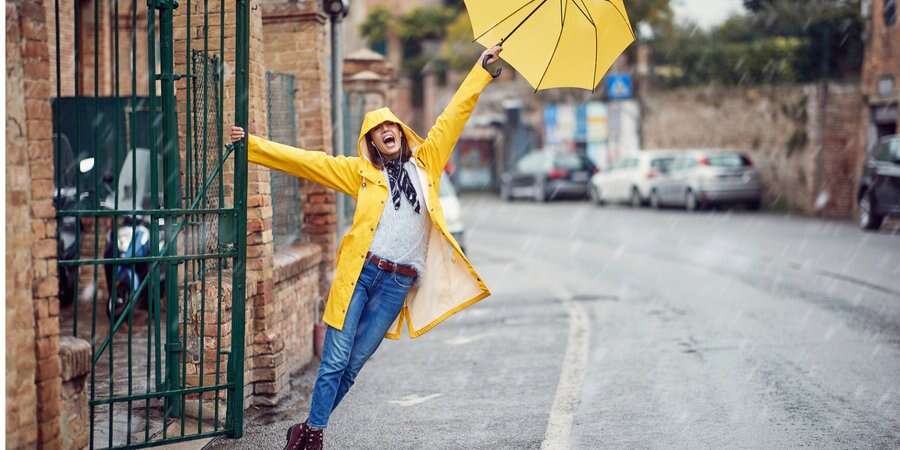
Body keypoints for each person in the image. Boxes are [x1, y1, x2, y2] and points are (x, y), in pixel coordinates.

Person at [229, 45, 502, 450]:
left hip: (397, 285)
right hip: (361, 275)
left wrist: (480, 69)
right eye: (376, 131)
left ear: (400, 131)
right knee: (335, 360)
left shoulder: (426, 162)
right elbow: (306, 161)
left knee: (354, 367)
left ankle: (305, 430)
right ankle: (316, 437)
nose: (385, 132)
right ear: (372, 142)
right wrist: (252, 145)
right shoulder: (360, 173)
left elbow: (454, 114)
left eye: (389, 125)